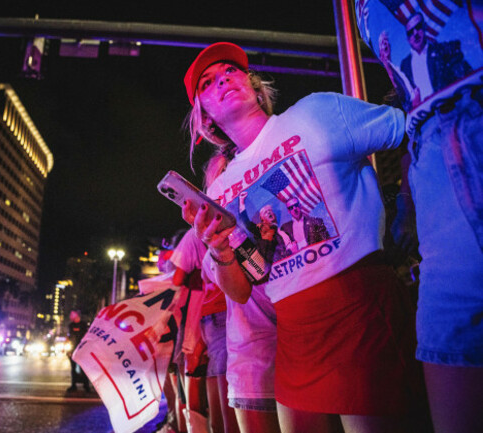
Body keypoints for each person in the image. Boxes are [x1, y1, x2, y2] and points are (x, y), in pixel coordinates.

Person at [181, 42, 424, 433]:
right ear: (205, 117)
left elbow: (413, 127)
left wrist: (410, 208)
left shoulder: (316, 114)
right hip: (293, 337)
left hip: (360, 312)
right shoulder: (221, 189)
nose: (223, 79)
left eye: (231, 71)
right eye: (208, 82)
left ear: (255, 86)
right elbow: (241, 290)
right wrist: (220, 250)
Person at [356, 4, 483, 433]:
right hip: (436, 181)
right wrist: (408, 200)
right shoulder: (362, 10)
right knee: (450, 359)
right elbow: (416, 98)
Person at [170, 228, 241, 433]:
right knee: (224, 389)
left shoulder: (194, 234)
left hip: (208, 311)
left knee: (202, 379)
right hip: (220, 310)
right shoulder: (233, 223)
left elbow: (177, 279)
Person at [400, 13, 472, 104]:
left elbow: (465, 77)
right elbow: (405, 98)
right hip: (424, 116)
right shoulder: (405, 66)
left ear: (425, 27)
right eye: (410, 32)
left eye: (418, 27)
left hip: (450, 109)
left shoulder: (444, 51)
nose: (415, 33)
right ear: (407, 39)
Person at [67, 310, 90, 392]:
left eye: (72, 314)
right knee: (73, 368)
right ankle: (73, 385)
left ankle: (86, 385)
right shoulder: (71, 325)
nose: (70, 315)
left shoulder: (84, 325)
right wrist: (69, 350)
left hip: (82, 349)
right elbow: (69, 338)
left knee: (84, 368)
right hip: (73, 349)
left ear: (77, 315)